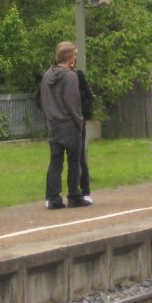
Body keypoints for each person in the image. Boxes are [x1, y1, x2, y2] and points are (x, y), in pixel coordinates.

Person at [40, 42, 89, 209]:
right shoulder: (70, 76)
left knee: (55, 161)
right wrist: (79, 122)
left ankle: (52, 197)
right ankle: (74, 195)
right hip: (68, 123)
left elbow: (43, 100)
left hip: (53, 124)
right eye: (74, 55)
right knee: (74, 162)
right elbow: (73, 102)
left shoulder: (47, 75)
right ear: (70, 58)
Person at [76, 68, 94, 205]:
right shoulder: (51, 75)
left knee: (80, 157)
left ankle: (85, 190)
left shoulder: (78, 75)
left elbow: (88, 96)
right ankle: (53, 195)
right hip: (59, 122)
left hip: (78, 120)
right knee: (57, 160)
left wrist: (84, 113)